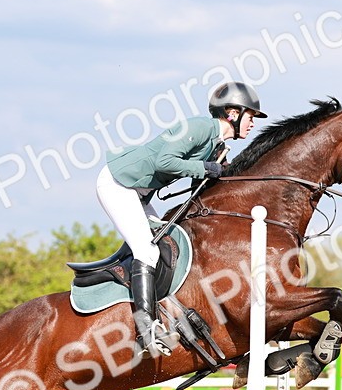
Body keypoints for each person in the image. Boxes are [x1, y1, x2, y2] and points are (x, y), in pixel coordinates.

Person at [96, 81, 267, 354]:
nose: (252, 123)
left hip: (139, 193)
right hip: (119, 183)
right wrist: (205, 167)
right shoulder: (200, 128)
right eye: (251, 116)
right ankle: (145, 330)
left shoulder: (217, 144)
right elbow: (165, 161)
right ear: (233, 113)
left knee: (166, 246)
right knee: (147, 252)